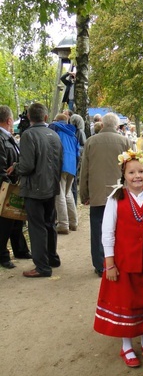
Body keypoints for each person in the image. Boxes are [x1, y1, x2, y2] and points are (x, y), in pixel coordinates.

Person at [94, 150, 143, 368]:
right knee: (126, 302)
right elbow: (107, 232)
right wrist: (110, 264)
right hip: (123, 262)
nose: (137, 176)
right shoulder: (116, 198)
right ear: (124, 175)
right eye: (132, 172)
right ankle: (126, 345)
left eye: (141, 171)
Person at [10, 103, 62, 277]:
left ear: (30, 118)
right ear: (45, 117)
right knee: (49, 224)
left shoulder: (28, 135)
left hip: (35, 188)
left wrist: (16, 166)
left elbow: (27, 166)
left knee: (37, 226)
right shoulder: (54, 135)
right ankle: (52, 258)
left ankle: (42, 266)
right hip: (51, 186)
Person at [80, 113, 130, 277]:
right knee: (119, 228)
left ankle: (100, 264)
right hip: (119, 192)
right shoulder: (125, 142)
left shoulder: (90, 142)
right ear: (117, 126)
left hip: (97, 193)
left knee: (97, 229)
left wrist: (84, 194)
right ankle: (119, 261)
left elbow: (84, 170)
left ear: (102, 125)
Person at [0, 105, 31, 269]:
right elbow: (1, 166)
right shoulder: (1, 138)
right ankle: (3, 255)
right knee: (5, 222)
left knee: (16, 220)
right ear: (9, 120)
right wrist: (8, 184)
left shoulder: (8, 137)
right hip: (7, 185)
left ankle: (20, 249)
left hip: (13, 183)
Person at [48, 113, 79, 234]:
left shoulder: (54, 128)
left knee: (59, 194)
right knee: (68, 193)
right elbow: (77, 153)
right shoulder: (73, 133)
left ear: (57, 120)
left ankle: (63, 224)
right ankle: (73, 222)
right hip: (72, 165)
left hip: (60, 164)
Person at [70, 114, 86, 205]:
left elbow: (82, 145)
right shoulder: (78, 131)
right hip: (76, 157)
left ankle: (74, 202)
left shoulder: (78, 132)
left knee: (74, 181)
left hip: (75, 158)